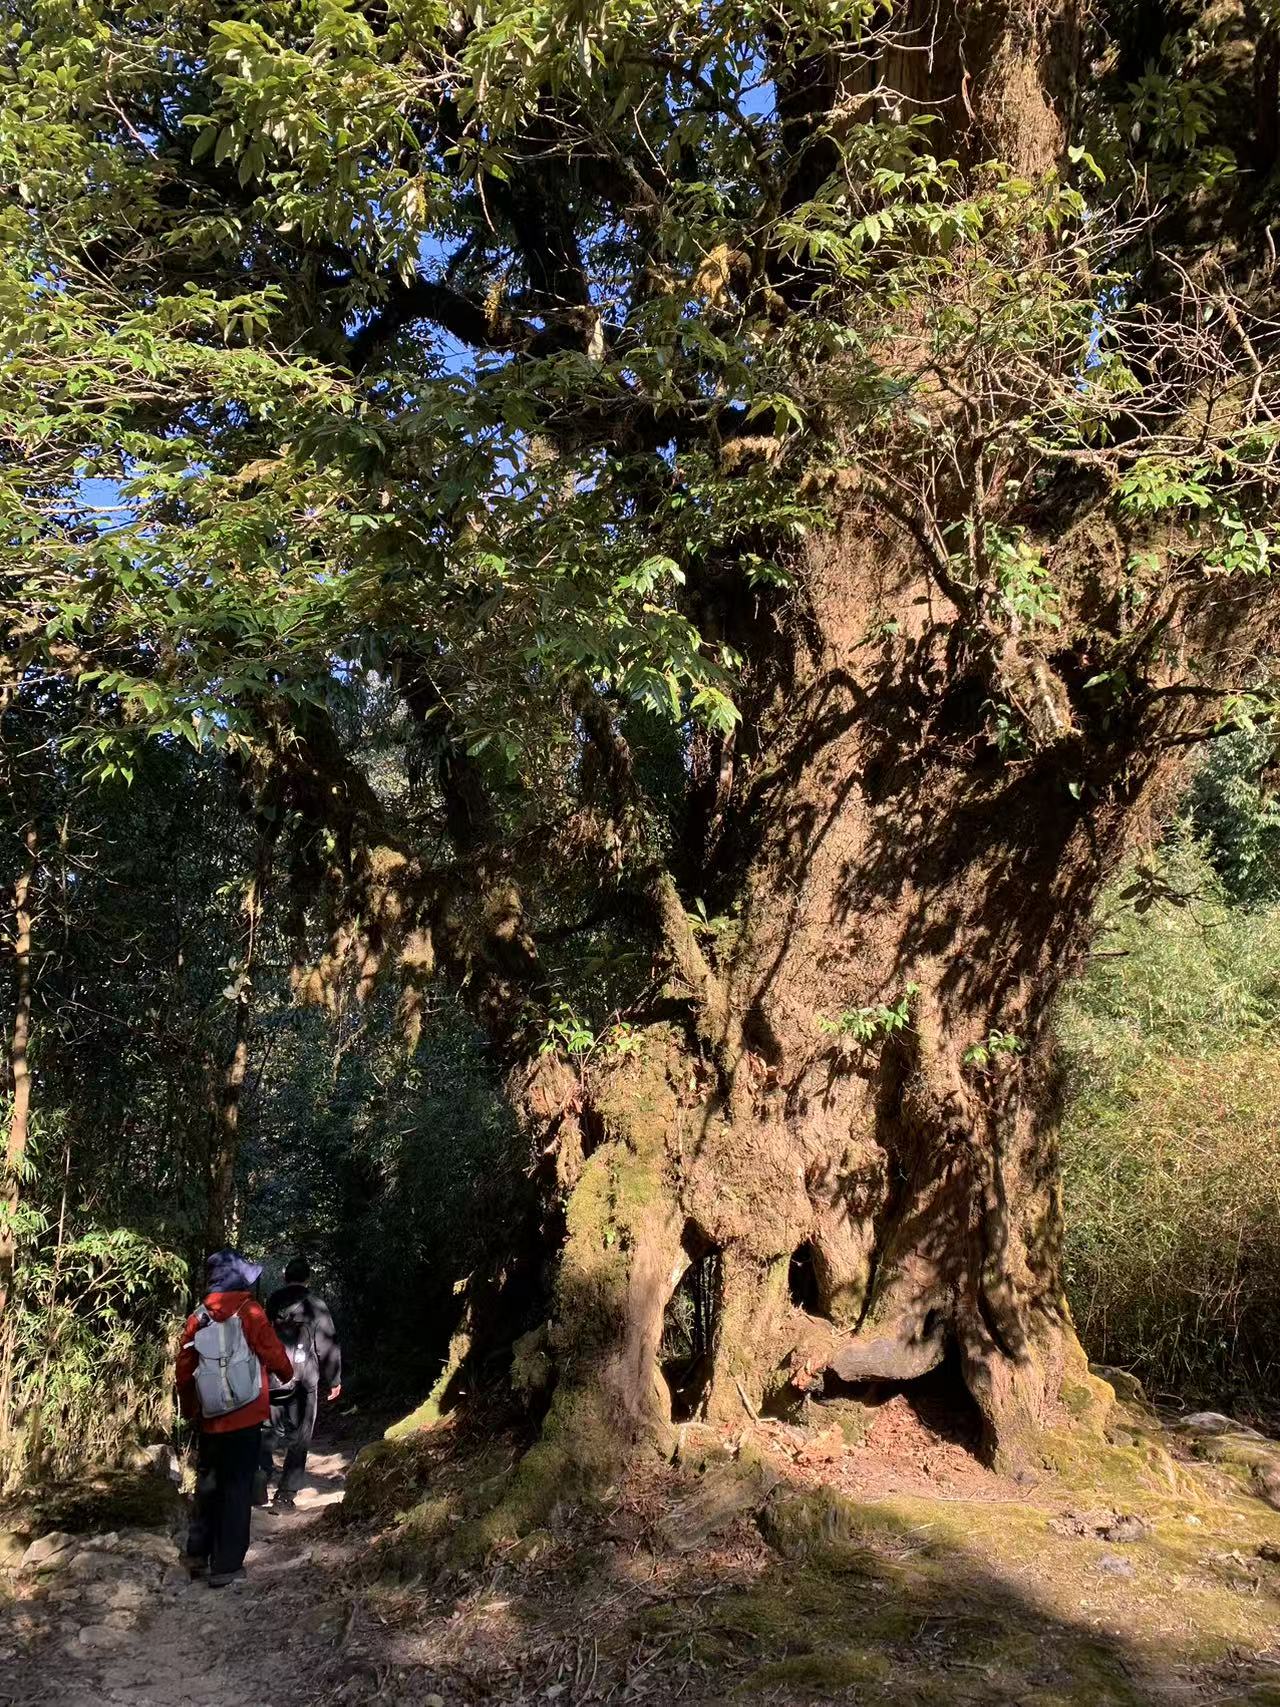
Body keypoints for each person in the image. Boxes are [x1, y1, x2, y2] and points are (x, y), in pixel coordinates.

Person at [176, 1248, 293, 1588]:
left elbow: (184, 1370)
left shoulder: (198, 1317)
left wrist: (191, 1408)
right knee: (238, 1487)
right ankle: (226, 1565)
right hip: (246, 1414)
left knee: (208, 1484)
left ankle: (198, 1554)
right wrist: (286, 1373)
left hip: (211, 1418)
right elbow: (271, 1350)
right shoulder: (249, 1311)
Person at [257, 1256, 342, 1512]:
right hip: (304, 1380)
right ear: (308, 1278)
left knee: (268, 1430)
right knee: (301, 1436)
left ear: (285, 1277)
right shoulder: (316, 1305)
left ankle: (258, 1481)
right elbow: (326, 1343)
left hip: (272, 1377)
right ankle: (285, 1496)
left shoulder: (273, 1301)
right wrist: (334, 1379)